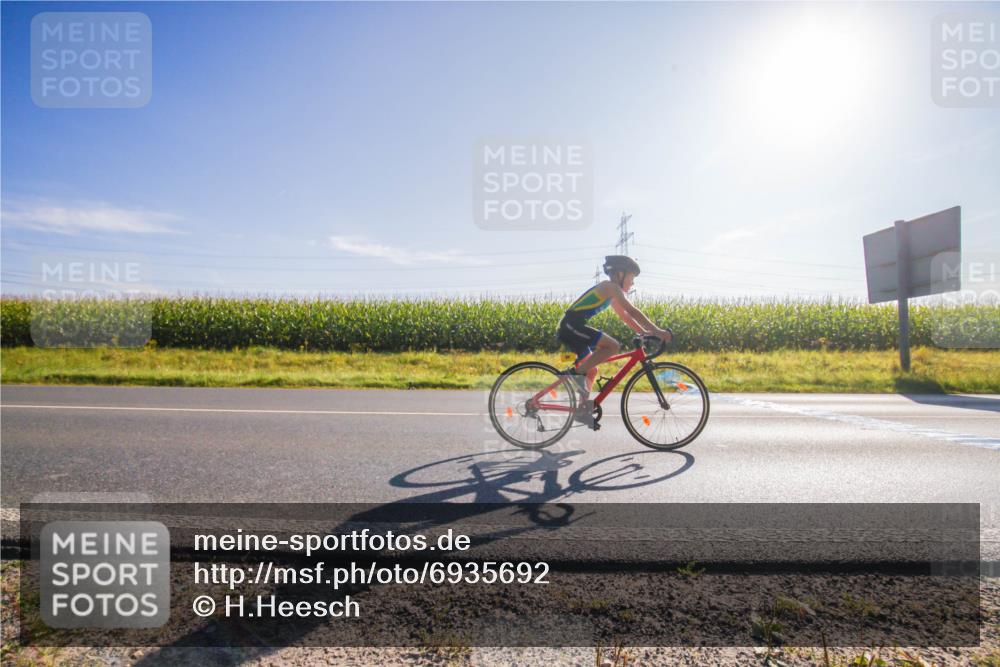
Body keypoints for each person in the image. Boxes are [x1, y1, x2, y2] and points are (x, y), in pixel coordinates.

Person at [557, 255, 672, 426]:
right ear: (620, 274)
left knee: (591, 370)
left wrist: (644, 333)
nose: (632, 283)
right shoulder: (610, 287)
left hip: (573, 326)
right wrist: (657, 331)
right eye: (631, 277)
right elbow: (633, 311)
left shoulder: (611, 293)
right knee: (612, 346)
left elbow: (624, 316)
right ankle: (576, 375)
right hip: (571, 326)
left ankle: (582, 410)